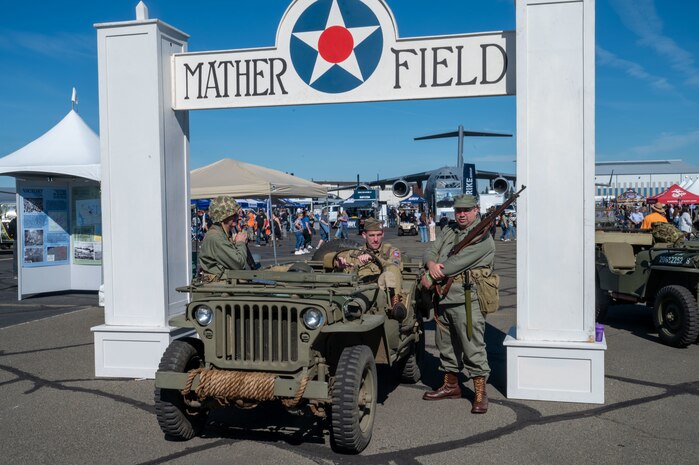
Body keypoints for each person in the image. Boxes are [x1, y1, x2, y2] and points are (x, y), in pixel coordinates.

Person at [420, 194, 494, 414]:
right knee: (446, 344)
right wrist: (431, 263)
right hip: (443, 297)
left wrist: (432, 275)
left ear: (476, 210)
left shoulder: (482, 238)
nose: (461, 214)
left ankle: (480, 393)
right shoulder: (449, 230)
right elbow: (430, 250)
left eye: (466, 210)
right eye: (458, 210)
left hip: (466, 299)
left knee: (472, 345)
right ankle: (451, 385)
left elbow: (456, 263)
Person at [332, 218, 404, 308]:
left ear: (383, 234)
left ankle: (395, 303)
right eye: (371, 235)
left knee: (392, 269)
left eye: (378, 235)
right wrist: (339, 263)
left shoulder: (391, 251)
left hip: (383, 289)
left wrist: (373, 258)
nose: (376, 239)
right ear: (364, 235)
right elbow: (334, 257)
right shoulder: (355, 252)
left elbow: (394, 265)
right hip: (358, 290)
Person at [198, 196, 248, 282]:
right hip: (220, 286)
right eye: (234, 214)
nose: (238, 217)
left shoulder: (221, 233)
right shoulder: (216, 237)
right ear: (224, 217)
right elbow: (239, 263)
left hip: (225, 282)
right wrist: (240, 243)